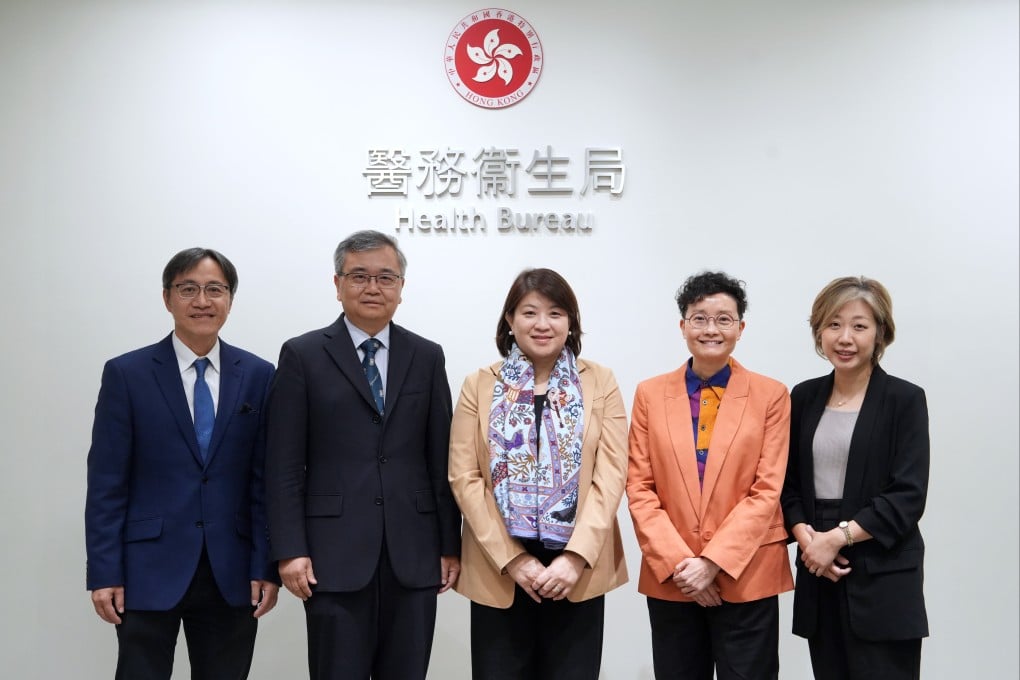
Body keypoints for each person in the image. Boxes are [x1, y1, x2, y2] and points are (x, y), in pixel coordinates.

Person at [265, 229, 461, 680]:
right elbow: (284, 464)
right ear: (337, 284)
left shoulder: (427, 356)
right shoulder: (303, 354)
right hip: (331, 555)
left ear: (401, 288)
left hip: (413, 552)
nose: (373, 288)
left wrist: (450, 544)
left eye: (385, 278)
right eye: (359, 276)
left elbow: (441, 459)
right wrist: (290, 549)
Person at [85, 248, 279, 680]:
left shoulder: (260, 374)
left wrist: (265, 565)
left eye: (215, 289)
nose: (202, 301)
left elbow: (264, 482)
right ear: (167, 298)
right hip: (147, 569)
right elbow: (106, 483)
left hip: (231, 570)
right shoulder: (127, 373)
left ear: (230, 299)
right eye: (188, 289)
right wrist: (104, 572)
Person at [448, 267, 629, 680]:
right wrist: (513, 560)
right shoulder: (479, 384)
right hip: (501, 568)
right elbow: (464, 476)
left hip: (576, 572)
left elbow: (612, 473)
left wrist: (574, 557)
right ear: (510, 321)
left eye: (556, 312)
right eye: (529, 312)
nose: (543, 324)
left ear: (571, 323)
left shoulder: (599, 381)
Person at [626, 271, 793, 680]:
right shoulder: (649, 394)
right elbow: (640, 487)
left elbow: (766, 490)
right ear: (683, 326)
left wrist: (713, 563)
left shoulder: (771, 395)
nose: (711, 329)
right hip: (674, 578)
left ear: (741, 327)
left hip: (747, 574)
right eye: (699, 318)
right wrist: (686, 565)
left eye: (723, 319)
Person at [781, 276, 929, 679]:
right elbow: (788, 484)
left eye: (859, 326)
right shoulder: (803, 396)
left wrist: (837, 538)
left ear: (880, 333)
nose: (845, 337)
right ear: (819, 331)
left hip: (881, 570)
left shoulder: (904, 399)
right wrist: (807, 539)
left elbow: (908, 495)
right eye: (833, 324)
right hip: (818, 568)